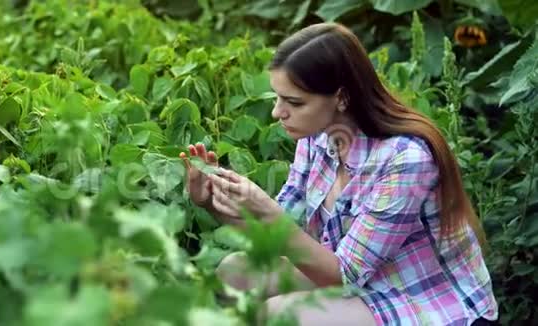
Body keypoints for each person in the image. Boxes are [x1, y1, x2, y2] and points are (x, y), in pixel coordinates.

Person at [179, 23, 498, 326]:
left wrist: (269, 215)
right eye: (277, 98)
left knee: (279, 316)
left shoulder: (405, 159)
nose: (277, 112)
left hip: (423, 298)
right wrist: (217, 204)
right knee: (233, 273)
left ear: (342, 98)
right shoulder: (316, 136)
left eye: (293, 102)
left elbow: (344, 274)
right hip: (359, 277)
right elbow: (284, 235)